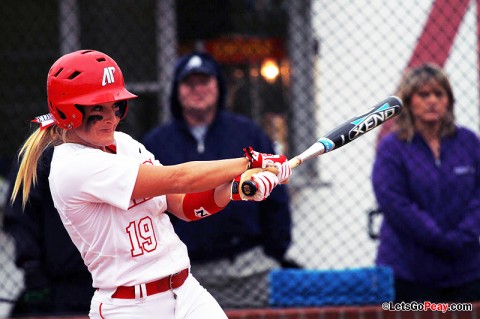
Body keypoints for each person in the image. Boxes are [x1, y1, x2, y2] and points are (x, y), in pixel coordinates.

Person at [10, 49, 292, 319]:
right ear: (67, 111)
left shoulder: (123, 143)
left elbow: (184, 205)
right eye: (98, 109)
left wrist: (234, 189)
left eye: (117, 106)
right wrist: (251, 163)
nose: (111, 118)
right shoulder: (74, 166)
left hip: (186, 292)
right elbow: (178, 177)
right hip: (132, 306)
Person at [142, 51, 299, 308]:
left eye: (205, 81)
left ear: (218, 86)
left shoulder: (247, 133)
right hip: (183, 272)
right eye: (189, 83)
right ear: (177, 91)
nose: (198, 89)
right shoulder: (157, 142)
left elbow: (277, 201)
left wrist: (274, 252)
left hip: (247, 270)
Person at [371, 63, 480, 303]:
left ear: (449, 101)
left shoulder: (469, 142)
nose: (432, 101)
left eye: (439, 94)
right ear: (409, 101)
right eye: (423, 95)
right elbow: (394, 201)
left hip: (466, 268)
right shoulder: (393, 148)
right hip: (408, 270)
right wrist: (437, 238)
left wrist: (464, 235)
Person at [4, 146, 95, 316]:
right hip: (57, 283)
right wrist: (31, 266)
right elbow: (20, 216)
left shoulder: (114, 147)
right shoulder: (40, 153)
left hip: (104, 278)